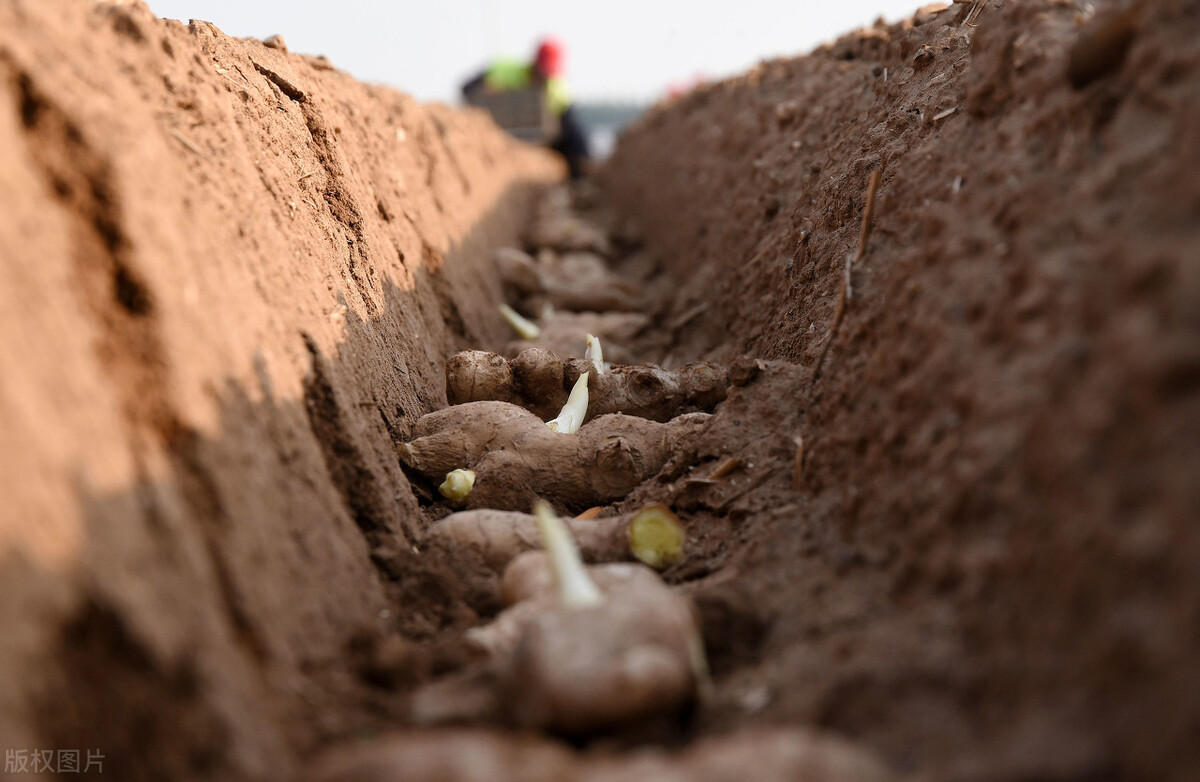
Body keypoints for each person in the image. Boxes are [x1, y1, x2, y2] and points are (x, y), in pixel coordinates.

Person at [461, 37, 591, 179]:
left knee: (575, 139)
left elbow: (569, 124)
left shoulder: (557, 89)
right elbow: (467, 88)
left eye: (548, 74)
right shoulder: (505, 71)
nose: (544, 77)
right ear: (535, 63)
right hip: (497, 135)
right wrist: (486, 89)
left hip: (542, 141)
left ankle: (580, 181)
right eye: (542, 71)